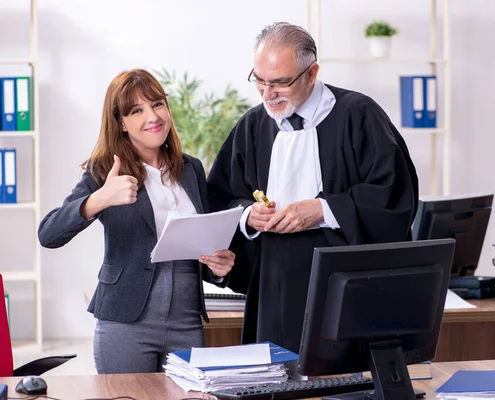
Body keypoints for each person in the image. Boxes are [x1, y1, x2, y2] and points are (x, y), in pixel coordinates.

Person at [207, 22, 419, 353]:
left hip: (345, 289)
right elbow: (219, 197)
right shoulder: (252, 125)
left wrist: (322, 209)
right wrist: (248, 216)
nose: (267, 94)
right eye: (259, 81)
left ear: (311, 73)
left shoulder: (358, 115)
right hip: (272, 292)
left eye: (279, 83)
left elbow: (392, 193)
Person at [38, 69, 235, 374]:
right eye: (136, 110)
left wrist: (217, 267)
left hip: (186, 322)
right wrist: (99, 199)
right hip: (126, 324)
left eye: (157, 104)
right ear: (121, 122)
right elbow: (49, 233)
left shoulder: (190, 169)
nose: (153, 117)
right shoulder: (105, 170)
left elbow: (203, 246)